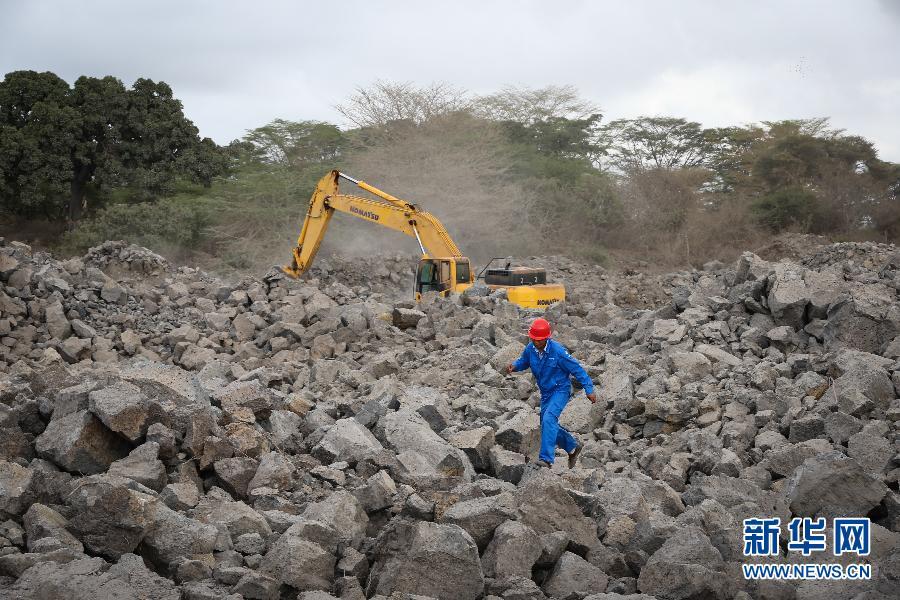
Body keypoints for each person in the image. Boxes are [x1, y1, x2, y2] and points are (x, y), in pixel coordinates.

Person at [507, 317, 597, 468]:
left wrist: (589, 389)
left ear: (547, 338)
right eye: (534, 339)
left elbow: (578, 370)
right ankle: (573, 446)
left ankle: (546, 459)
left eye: (540, 340)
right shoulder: (530, 349)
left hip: (560, 390)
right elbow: (524, 360)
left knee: (549, 419)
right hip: (546, 392)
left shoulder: (558, 352)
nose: (537, 342)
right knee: (546, 424)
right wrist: (515, 366)